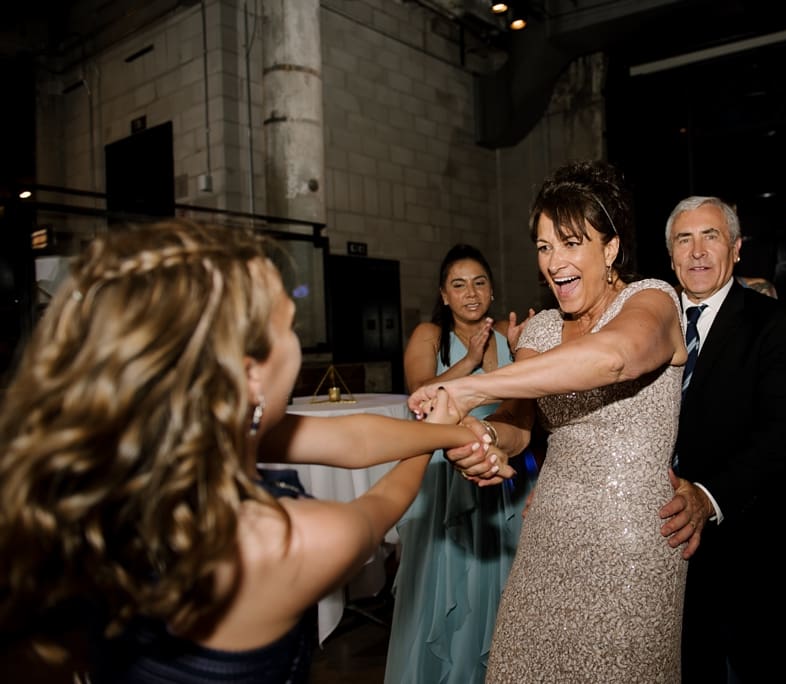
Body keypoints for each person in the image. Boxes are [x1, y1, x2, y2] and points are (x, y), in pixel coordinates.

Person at [0, 219, 485, 683]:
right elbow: (380, 505)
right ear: (251, 373)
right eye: (288, 328)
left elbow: (354, 439)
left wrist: (450, 435)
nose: (296, 344)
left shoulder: (158, 449)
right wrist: (446, 433)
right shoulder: (283, 542)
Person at [409, 159, 689, 682]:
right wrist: (482, 439)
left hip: (631, 540)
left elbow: (615, 358)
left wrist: (470, 388)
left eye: (570, 243)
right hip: (549, 532)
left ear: (610, 248)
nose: (554, 262)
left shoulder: (652, 299)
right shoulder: (539, 331)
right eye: (544, 247)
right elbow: (518, 425)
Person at [657, 196, 786, 684]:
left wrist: (708, 497)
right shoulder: (648, 326)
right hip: (662, 539)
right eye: (684, 239)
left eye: (710, 237)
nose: (697, 252)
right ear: (671, 255)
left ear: (735, 249)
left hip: (751, 538)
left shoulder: (777, 323)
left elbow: (782, 434)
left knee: (768, 662)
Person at [384, 244, 535, 683]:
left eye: (480, 282)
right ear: (444, 295)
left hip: (504, 470)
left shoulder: (508, 334)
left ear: (492, 290)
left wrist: (526, 350)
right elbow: (420, 393)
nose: (471, 293)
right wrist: (469, 361)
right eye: (459, 284)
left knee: (505, 583)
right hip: (446, 476)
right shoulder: (429, 335)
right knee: (449, 588)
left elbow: (528, 402)